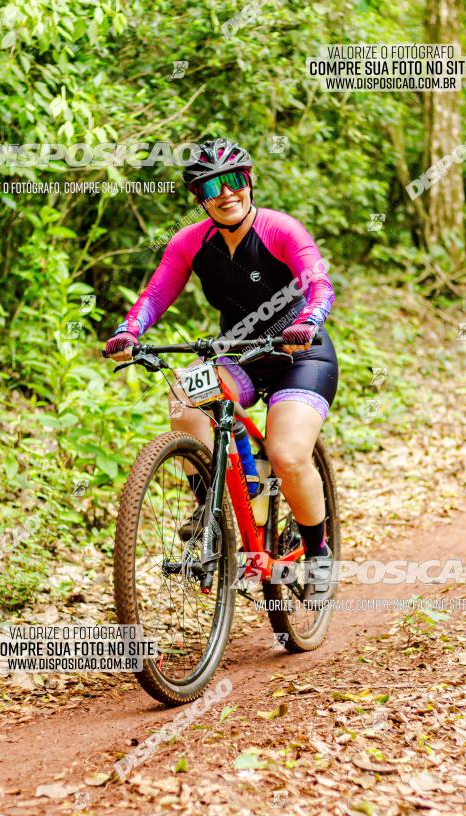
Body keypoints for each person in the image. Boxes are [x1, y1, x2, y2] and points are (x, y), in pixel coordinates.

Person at [104, 138, 338, 599]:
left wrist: (309, 321)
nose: (226, 193)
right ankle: (214, 503)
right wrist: (129, 331)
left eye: (233, 181)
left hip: (299, 355)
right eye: (212, 187)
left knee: (289, 455)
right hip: (239, 354)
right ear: (199, 199)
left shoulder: (280, 229)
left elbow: (319, 283)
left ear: (248, 183)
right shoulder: (190, 242)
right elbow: (155, 296)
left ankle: (319, 551)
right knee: (186, 396)